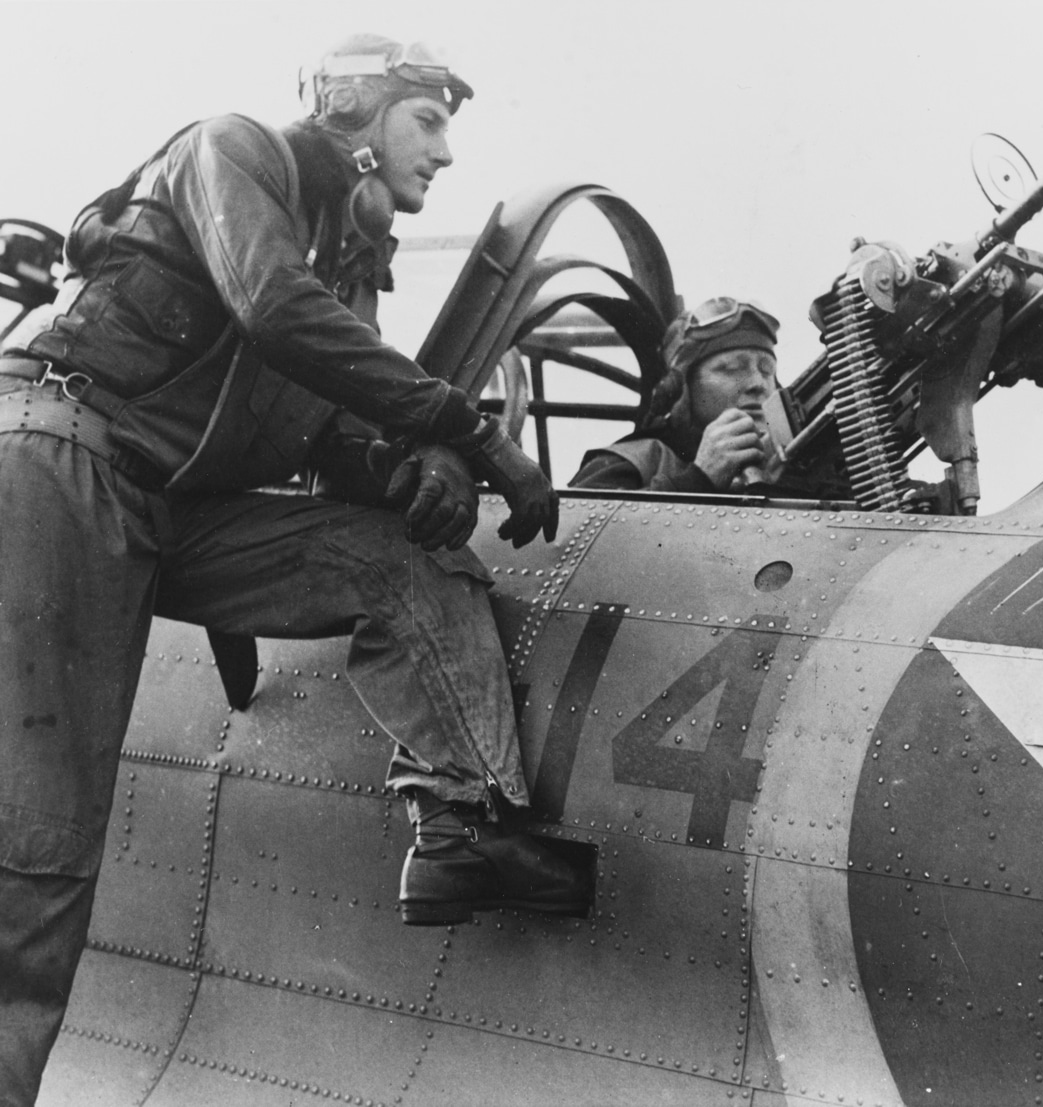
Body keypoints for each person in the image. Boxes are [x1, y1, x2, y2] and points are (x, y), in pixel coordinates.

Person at [0, 34, 588, 1105]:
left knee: (395, 555)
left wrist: (414, 466)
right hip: (63, 458)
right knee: (35, 854)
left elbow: (320, 422)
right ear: (356, 113)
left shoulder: (348, 281)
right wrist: (473, 429)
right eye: (428, 120)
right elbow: (271, 309)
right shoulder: (231, 152)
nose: (445, 154)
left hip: (170, 508)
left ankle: (461, 821)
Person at [570, 296, 780, 492]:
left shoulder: (788, 463)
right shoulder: (633, 461)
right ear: (681, 387)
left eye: (767, 370)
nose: (757, 384)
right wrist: (698, 479)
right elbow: (573, 527)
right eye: (732, 368)